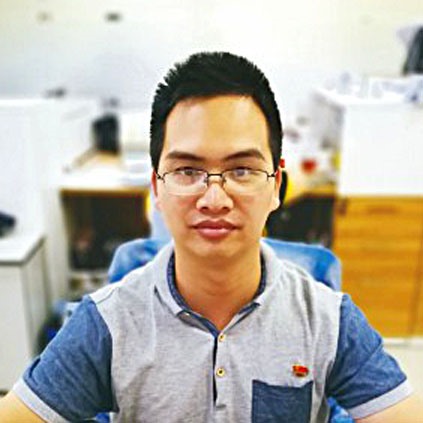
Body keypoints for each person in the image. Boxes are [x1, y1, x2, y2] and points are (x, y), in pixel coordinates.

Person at [0, 52, 422, 423]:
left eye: (242, 170)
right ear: (157, 188)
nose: (215, 199)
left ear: (276, 185)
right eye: (187, 171)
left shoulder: (330, 321)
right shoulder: (106, 324)